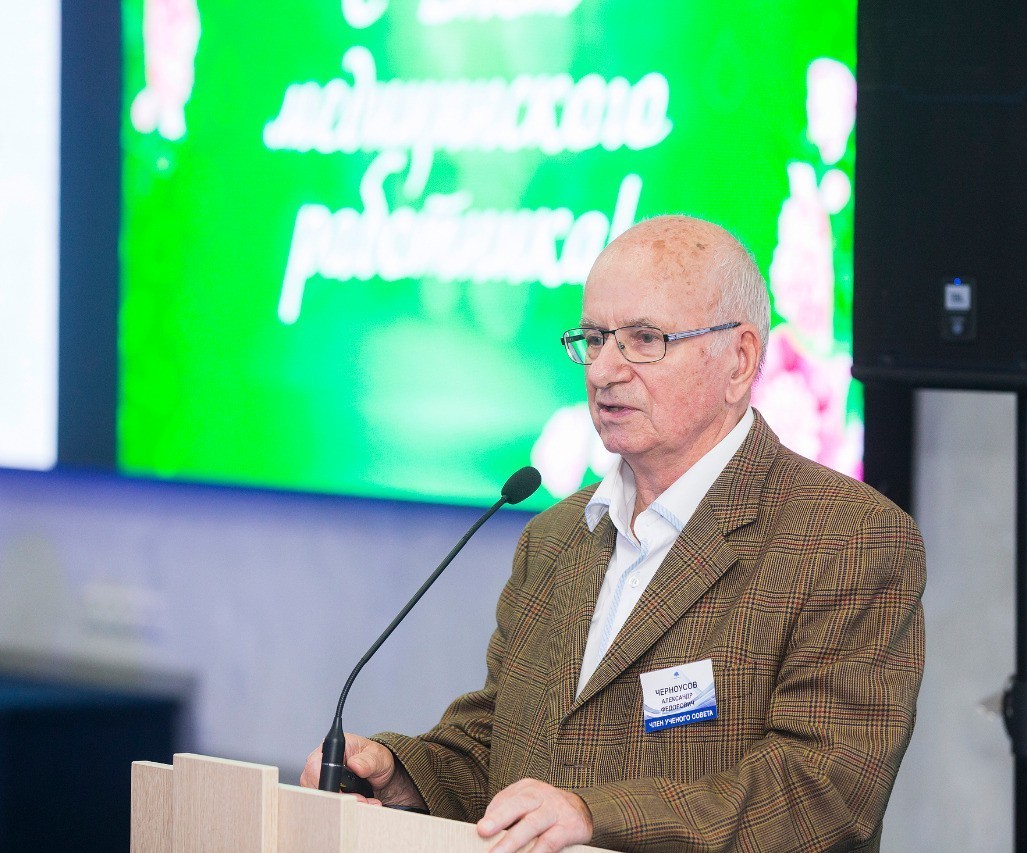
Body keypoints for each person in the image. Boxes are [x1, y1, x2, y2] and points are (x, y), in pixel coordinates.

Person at [301, 215, 926, 852]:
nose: (603, 371)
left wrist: (592, 815)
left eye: (644, 340)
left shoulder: (849, 539)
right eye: (595, 339)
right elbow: (505, 745)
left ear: (739, 360)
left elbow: (821, 792)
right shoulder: (555, 537)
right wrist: (403, 775)